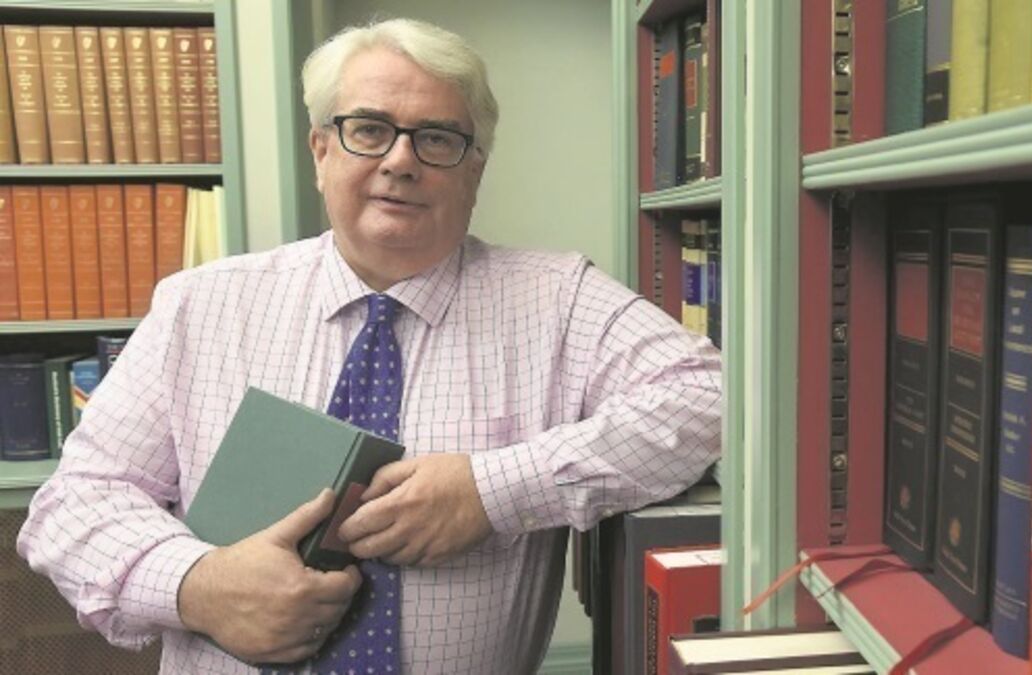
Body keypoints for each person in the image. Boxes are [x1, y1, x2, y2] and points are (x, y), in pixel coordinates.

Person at [17, 17, 721, 675]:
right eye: (369, 130)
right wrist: (195, 584)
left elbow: (712, 397)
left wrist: (497, 490)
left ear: (475, 169)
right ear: (321, 150)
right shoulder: (198, 306)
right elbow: (74, 504)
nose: (401, 160)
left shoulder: (559, 300)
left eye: (437, 138)